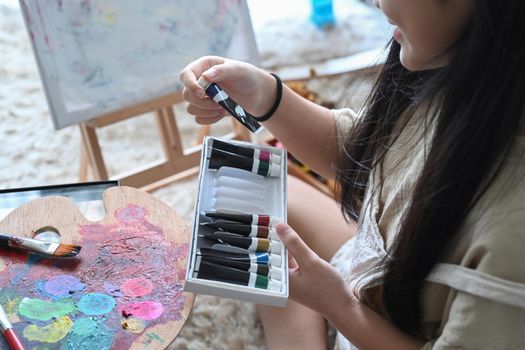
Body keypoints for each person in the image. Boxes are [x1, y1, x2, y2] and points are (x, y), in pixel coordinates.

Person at [180, 0, 525, 348]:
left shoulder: (510, 239)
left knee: (278, 250)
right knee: (258, 188)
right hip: (380, 273)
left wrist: (338, 306)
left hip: (381, 319)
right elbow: (365, 153)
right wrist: (264, 93)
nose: (375, 2)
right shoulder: (471, 72)